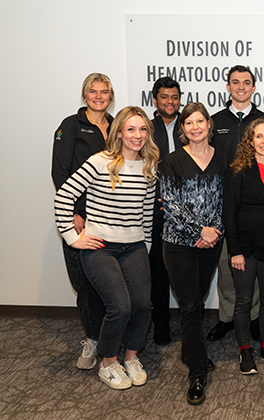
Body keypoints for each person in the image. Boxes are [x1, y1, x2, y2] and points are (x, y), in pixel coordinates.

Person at [54, 106, 159, 390]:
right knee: (120, 307)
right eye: (131, 129)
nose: (137, 135)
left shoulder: (148, 166)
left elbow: (146, 212)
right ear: (120, 132)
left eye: (142, 129)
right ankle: (108, 363)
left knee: (142, 305)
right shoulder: (100, 161)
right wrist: (72, 238)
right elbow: (64, 196)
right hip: (100, 247)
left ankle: (131, 358)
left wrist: (145, 244)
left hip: (134, 246)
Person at [161, 102, 227, 405]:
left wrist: (213, 231)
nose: (195, 127)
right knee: (189, 305)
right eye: (189, 123)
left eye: (200, 121)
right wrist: (198, 231)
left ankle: (191, 350)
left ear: (209, 124)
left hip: (210, 244)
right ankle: (198, 372)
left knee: (196, 301)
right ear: (182, 128)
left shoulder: (222, 158)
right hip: (178, 244)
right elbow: (170, 205)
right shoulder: (171, 161)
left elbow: (226, 201)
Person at [51, 73, 113, 370]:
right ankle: (92, 339)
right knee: (85, 284)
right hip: (81, 218)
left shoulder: (116, 126)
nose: (99, 96)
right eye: (93, 91)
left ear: (110, 96)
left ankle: (111, 339)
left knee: (112, 281)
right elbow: (60, 173)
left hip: (112, 217)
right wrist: (73, 212)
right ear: (85, 94)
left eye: (104, 91)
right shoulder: (70, 126)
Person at [208, 65, 264, 342]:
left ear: (254, 87)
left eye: (246, 82)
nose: (241, 87)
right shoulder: (214, 121)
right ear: (228, 87)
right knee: (227, 266)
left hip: (255, 208)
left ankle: (253, 317)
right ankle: (227, 318)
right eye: (235, 82)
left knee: (254, 267)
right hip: (223, 206)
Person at [223, 118, 264, 375]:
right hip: (246, 247)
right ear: (249, 141)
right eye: (259, 136)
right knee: (243, 300)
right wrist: (235, 250)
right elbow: (229, 213)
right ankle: (244, 350)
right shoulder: (238, 169)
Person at [149, 76, 183, 345]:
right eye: (164, 97)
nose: (169, 102)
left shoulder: (191, 125)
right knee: (158, 270)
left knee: (185, 272)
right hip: (156, 212)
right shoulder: (145, 129)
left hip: (186, 212)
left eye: (174, 97)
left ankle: (189, 325)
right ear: (155, 100)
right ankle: (161, 324)